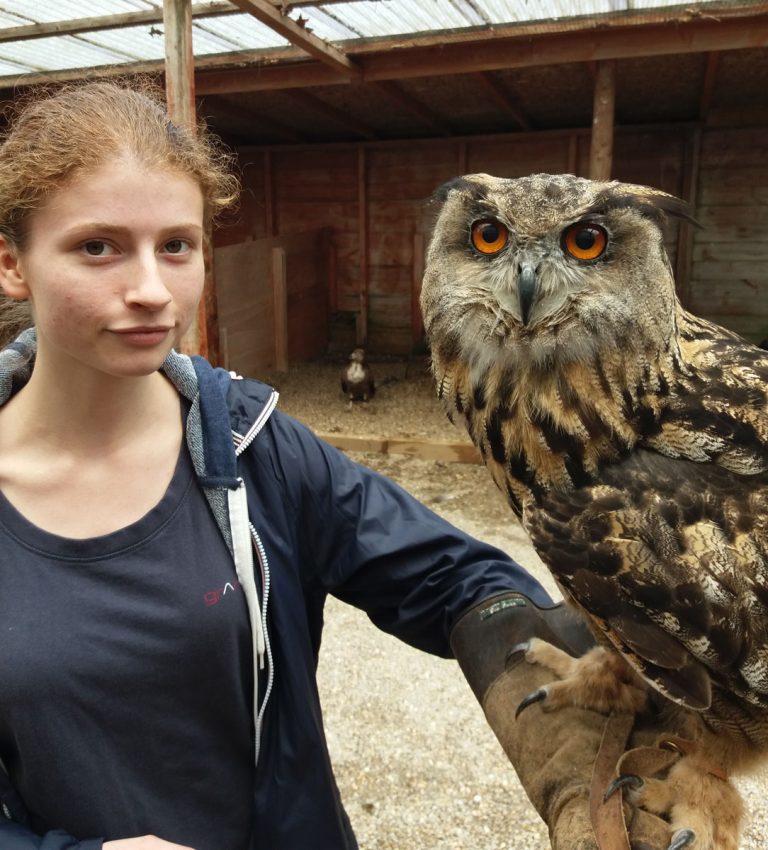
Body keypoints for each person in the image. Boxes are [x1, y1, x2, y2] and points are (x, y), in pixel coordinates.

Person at [0, 80, 677, 850]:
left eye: (177, 246)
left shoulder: (256, 450)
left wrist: (574, 715)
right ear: (13, 264)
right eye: (98, 247)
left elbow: (457, 580)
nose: (152, 291)